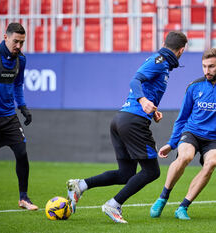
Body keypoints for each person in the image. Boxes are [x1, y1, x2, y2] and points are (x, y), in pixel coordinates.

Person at [66, 31, 187, 223]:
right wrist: (143, 100)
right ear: (182, 50)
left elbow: (146, 87)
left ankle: (80, 185)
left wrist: (151, 109)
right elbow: (135, 80)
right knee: (152, 171)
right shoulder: (160, 61)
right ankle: (114, 204)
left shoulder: (163, 64)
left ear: (164, 42)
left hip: (122, 120)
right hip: (133, 122)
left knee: (125, 174)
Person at [150, 48, 216, 220]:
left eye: (211, 66)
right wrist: (172, 144)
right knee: (185, 157)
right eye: (204, 66)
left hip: (215, 139)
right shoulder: (194, 87)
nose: (207, 71)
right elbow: (182, 118)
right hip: (192, 132)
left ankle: (183, 207)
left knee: (211, 163)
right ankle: (163, 197)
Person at [0, 23, 37, 210]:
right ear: (5, 37)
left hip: (8, 116)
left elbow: (18, 85)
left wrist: (23, 107)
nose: (19, 46)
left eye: (22, 42)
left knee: (21, 153)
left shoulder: (22, 60)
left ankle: (24, 198)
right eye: (16, 41)